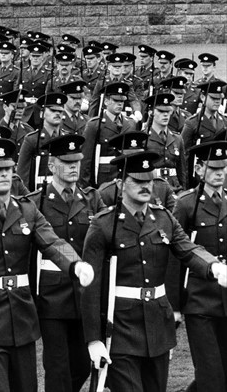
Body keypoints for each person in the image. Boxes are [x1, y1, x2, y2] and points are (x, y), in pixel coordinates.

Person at [0, 137, 94, 392]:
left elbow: (52, 241)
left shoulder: (26, 210)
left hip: (21, 320)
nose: (5, 175)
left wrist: (76, 265)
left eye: (9, 169)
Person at [81, 150, 227, 392]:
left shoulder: (163, 219)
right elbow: (90, 287)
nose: (145, 186)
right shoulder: (103, 224)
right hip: (121, 327)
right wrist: (93, 339)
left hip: (158, 326)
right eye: (137, 181)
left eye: (148, 181)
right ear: (121, 183)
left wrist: (214, 267)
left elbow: (188, 249)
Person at [28, 134, 105, 392]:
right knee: (57, 367)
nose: (73, 167)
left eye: (76, 162)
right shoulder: (36, 202)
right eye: (66, 162)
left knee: (83, 364)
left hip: (84, 296)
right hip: (52, 296)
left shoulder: (92, 200)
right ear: (52, 165)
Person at [174, 141, 227, 392]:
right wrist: (174, 305)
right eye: (214, 168)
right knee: (210, 373)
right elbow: (176, 254)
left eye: (223, 168)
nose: (219, 173)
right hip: (200, 300)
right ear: (201, 169)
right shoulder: (186, 204)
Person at [80, 81, 136, 188]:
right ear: (106, 101)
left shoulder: (130, 124)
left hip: (125, 180)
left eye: (122, 101)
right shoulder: (95, 125)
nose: (120, 104)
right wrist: (86, 187)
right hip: (103, 181)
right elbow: (86, 160)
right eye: (115, 100)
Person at [17, 92, 68, 190]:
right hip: (39, 192)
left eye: (60, 111)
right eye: (53, 110)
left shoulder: (66, 138)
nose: (57, 114)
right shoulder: (32, 140)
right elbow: (23, 175)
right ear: (42, 113)